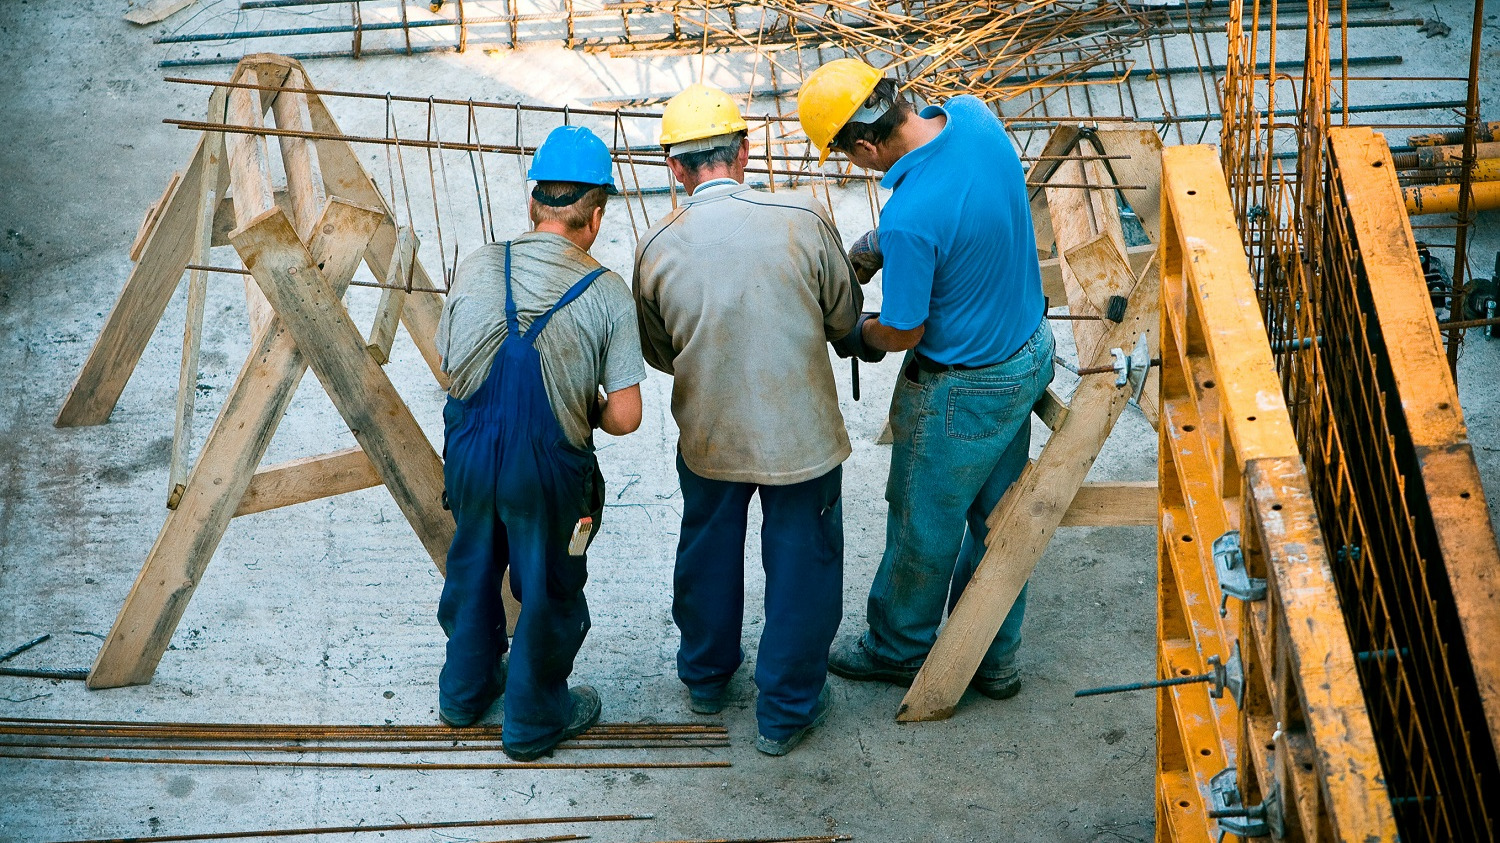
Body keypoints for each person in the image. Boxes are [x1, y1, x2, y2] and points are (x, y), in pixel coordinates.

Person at [798, 59, 1054, 702]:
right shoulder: (974, 116)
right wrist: (877, 243)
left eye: (844, 155)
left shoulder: (912, 217)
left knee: (922, 523)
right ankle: (995, 660)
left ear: (862, 145)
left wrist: (856, 335)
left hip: (962, 392)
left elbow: (904, 331)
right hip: (1024, 352)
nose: (850, 165)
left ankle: (897, 648)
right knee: (1000, 522)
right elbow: (961, 201)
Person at [633, 83, 863, 756]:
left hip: (711, 432)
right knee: (802, 562)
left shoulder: (656, 245)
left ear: (675, 167)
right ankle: (785, 712)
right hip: (803, 436)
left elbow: (659, 351)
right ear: (745, 149)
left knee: (707, 548)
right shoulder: (804, 216)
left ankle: (706, 678)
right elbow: (843, 320)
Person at [434, 125, 646, 761]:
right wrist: (585, 404)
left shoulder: (476, 264)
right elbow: (628, 417)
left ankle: (463, 696)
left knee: (472, 568)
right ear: (597, 216)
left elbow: (450, 361)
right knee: (550, 588)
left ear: (533, 204)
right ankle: (531, 720)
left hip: (470, 455)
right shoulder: (606, 291)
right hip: (548, 473)